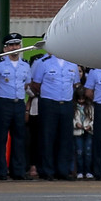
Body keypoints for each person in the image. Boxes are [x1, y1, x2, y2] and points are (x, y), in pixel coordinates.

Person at [0, 35, 31, 179]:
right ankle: (1, 171)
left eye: (17, 44)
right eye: (11, 45)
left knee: (19, 137)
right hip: (3, 103)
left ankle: (18, 171)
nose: (14, 48)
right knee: (0, 138)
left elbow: (27, 84)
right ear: (5, 48)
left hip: (18, 103)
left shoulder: (25, 64)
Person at [30, 49, 81, 180]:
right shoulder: (42, 62)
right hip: (49, 102)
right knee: (47, 137)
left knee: (65, 138)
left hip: (66, 102)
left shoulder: (72, 63)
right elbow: (35, 84)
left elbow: (75, 84)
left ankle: (62, 170)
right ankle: (47, 170)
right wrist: (49, 94)